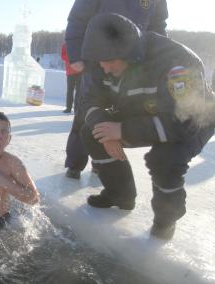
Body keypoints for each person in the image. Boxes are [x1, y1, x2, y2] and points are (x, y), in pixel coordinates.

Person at [79, 13, 214, 240]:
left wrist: (123, 131)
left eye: (110, 61)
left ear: (128, 52)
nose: (105, 68)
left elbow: (185, 123)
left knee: (165, 159)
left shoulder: (176, 61)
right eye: (100, 62)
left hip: (193, 120)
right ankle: (120, 194)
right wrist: (105, 127)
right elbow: (89, 101)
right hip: (142, 112)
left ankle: (166, 219)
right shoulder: (101, 62)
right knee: (93, 133)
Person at [63, 0, 169, 179]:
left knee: (118, 110)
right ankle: (75, 162)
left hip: (133, 60)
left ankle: (101, 159)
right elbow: (77, 19)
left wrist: (158, 57)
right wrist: (76, 54)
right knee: (88, 109)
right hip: (98, 58)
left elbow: (158, 25)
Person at [61, 42, 81, 114]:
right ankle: (68, 108)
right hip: (70, 72)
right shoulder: (65, 44)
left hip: (80, 71)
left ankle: (76, 109)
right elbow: (63, 56)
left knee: (79, 91)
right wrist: (71, 59)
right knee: (70, 90)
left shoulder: (79, 42)